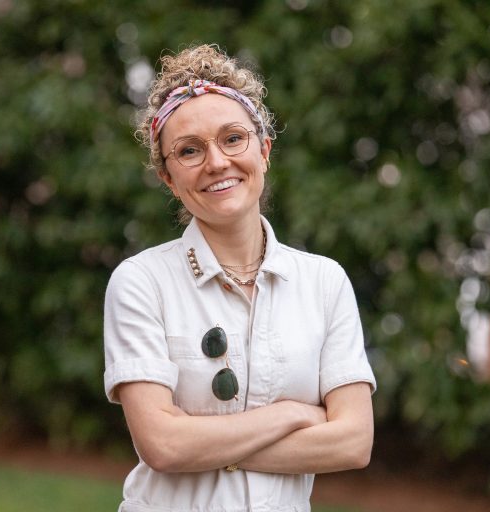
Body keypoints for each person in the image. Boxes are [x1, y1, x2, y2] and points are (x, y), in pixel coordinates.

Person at [103, 44, 376, 511]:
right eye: (189, 151)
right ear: (169, 178)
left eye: (233, 139)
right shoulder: (140, 282)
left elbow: (352, 443)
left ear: (264, 151)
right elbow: (163, 446)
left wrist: (205, 446)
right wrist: (292, 414)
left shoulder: (324, 283)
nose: (216, 162)